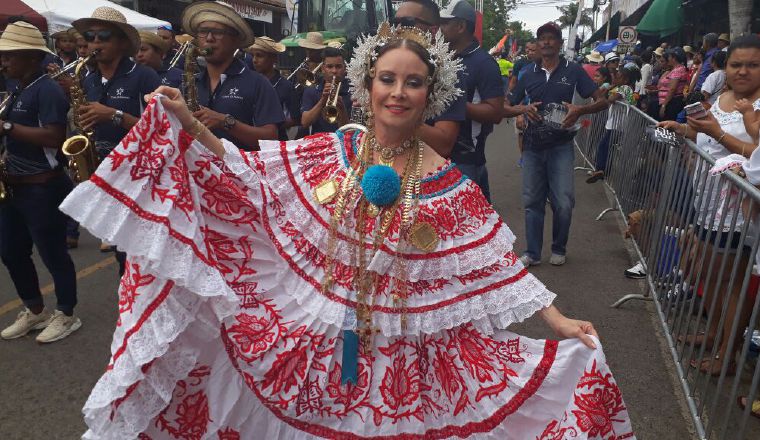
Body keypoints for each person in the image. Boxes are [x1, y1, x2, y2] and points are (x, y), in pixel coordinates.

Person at [60, 21, 634, 439]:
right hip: (320, 333)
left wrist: (557, 319)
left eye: (413, 83)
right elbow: (250, 174)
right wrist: (187, 122)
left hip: (404, 350)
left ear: (430, 95)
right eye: (387, 79)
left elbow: (495, 264)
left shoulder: (450, 184)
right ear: (368, 86)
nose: (398, 93)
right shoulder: (335, 149)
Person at [660, 34, 760, 377]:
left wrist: (717, 133)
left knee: (728, 280)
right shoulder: (723, 97)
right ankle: (716, 334)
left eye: (752, 65)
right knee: (707, 273)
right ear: (725, 66)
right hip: (706, 201)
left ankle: (727, 353)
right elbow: (708, 139)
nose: (743, 71)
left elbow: (754, 155)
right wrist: (684, 129)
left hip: (737, 211)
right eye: (736, 64)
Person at [0, 21, 80, 343]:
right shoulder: (17, 85)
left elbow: (53, 136)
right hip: (14, 184)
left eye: (10, 56)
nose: (3, 62)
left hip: (42, 186)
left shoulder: (46, 89)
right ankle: (34, 310)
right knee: (10, 250)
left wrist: (6, 128)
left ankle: (66, 313)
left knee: (53, 253)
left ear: (32, 57)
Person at [505, 21, 608, 267]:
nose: (547, 42)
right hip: (531, 146)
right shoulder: (527, 73)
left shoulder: (573, 71)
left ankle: (559, 247)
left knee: (563, 202)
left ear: (560, 43)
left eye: (552, 38)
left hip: (562, 145)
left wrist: (581, 109)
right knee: (532, 201)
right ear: (538, 44)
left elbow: (602, 101)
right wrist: (522, 110)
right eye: (542, 38)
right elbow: (505, 106)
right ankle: (532, 252)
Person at [73, 6, 161, 267]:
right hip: (102, 169)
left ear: (123, 43)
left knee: (135, 253)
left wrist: (114, 115)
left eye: (104, 36)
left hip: (137, 173)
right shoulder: (87, 78)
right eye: (90, 37)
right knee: (119, 251)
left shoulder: (144, 76)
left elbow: (160, 130)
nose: (95, 43)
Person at [183, 1, 283, 150]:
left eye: (217, 32)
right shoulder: (190, 82)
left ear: (235, 41)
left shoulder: (258, 83)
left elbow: (271, 138)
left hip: (239, 171)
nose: (209, 38)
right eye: (203, 31)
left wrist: (225, 121)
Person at [439, 0, 504, 201]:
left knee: (473, 224)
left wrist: (450, 103)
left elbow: (495, 113)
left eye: (445, 23)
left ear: (460, 26)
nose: (439, 28)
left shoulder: (484, 63)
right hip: (439, 152)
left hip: (466, 156)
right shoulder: (441, 57)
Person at [393, 0, 466, 157]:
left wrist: (390, 114)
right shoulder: (384, 64)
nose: (397, 29)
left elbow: (443, 144)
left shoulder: (448, 73)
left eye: (407, 22)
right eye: (395, 22)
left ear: (432, 30)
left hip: (423, 172)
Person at [587, 64, 641, 183]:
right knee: (608, 147)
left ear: (625, 79)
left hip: (617, 125)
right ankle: (603, 170)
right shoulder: (624, 88)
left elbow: (611, 99)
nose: (615, 78)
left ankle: (600, 169)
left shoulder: (625, 88)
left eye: (618, 77)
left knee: (603, 145)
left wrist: (612, 89)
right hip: (616, 124)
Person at [249, 36, 299, 141]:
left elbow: (296, 119)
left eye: (259, 56)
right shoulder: (248, 83)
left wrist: (273, 125)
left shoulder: (286, 86)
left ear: (274, 58)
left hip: (277, 143)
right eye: (252, 55)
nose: (254, 60)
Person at [300, 47, 351, 134]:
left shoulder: (353, 90)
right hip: (319, 142)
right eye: (329, 67)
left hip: (344, 141)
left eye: (338, 66)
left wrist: (342, 108)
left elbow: (350, 131)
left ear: (344, 68)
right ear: (323, 69)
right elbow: (305, 122)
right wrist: (323, 100)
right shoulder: (312, 89)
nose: (334, 71)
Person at [658, 48, 688, 121]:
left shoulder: (678, 70)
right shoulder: (678, 69)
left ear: (674, 58)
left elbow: (672, 89)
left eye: (669, 57)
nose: (668, 59)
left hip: (672, 103)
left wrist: (664, 105)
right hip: (672, 101)